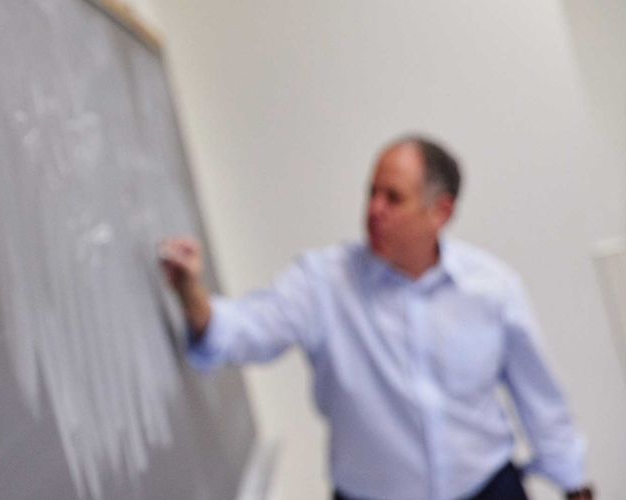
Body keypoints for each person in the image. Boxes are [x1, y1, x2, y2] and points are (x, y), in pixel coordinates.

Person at [161, 136, 594, 500]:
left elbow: (541, 400)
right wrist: (192, 293)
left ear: (440, 212)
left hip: (486, 488)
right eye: (372, 192)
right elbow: (243, 331)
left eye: (394, 198)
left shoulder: (492, 288)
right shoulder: (323, 282)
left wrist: (575, 485)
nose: (374, 209)